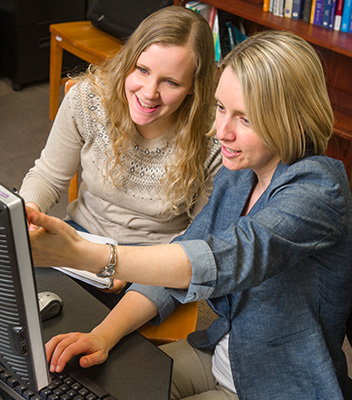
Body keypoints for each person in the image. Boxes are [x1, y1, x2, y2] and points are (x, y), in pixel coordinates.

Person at [28, 30, 352, 399]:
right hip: (216, 355)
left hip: (274, 384)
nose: (221, 131)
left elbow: (224, 258)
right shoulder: (240, 173)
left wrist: (88, 255)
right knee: (78, 386)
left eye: (245, 119)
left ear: (292, 119)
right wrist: (104, 334)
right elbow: (186, 252)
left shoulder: (319, 190)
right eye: (220, 108)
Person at [19, 6, 222, 307]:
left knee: (99, 339)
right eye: (142, 70)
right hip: (81, 238)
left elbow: (198, 241)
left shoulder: (215, 140)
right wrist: (29, 212)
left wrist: (124, 264)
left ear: (194, 87)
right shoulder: (88, 100)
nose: (149, 92)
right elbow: (48, 175)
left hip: (158, 260)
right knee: (9, 297)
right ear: (128, 60)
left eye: (171, 82)